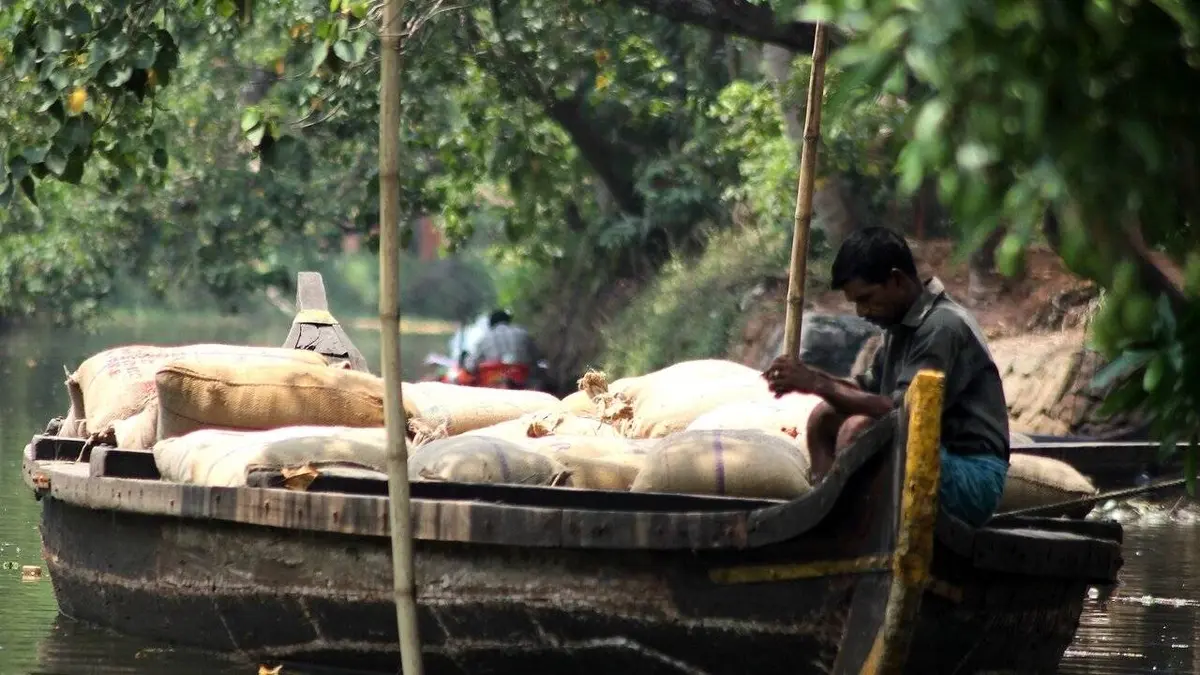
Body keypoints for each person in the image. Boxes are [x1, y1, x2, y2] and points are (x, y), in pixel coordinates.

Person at [763, 227, 1010, 527]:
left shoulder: (942, 327)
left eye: (866, 298)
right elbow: (863, 390)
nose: (861, 311)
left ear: (896, 279)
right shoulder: (898, 328)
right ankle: (828, 515)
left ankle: (850, 525)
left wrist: (817, 382)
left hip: (971, 475)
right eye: (855, 302)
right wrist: (807, 378)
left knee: (860, 428)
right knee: (824, 416)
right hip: (930, 456)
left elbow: (903, 412)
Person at [462, 309, 543, 388]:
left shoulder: (484, 339)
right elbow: (538, 357)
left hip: (492, 384)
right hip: (523, 383)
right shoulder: (523, 334)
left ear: (491, 324)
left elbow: (470, 366)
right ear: (508, 321)